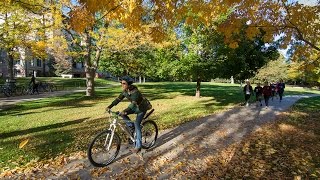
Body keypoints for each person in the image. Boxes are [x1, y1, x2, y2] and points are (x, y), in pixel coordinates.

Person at [106, 76, 152, 153]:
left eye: (124, 83)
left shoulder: (135, 92)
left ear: (129, 84)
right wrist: (109, 106)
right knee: (122, 115)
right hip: (135, 107)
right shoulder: (125, 91)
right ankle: (132, 128)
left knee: (137, 124)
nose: (122, 85)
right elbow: (118, 99)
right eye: (121, 83)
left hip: (141, 108)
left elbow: (133, 104)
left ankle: (138, 146)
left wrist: (125, 110)